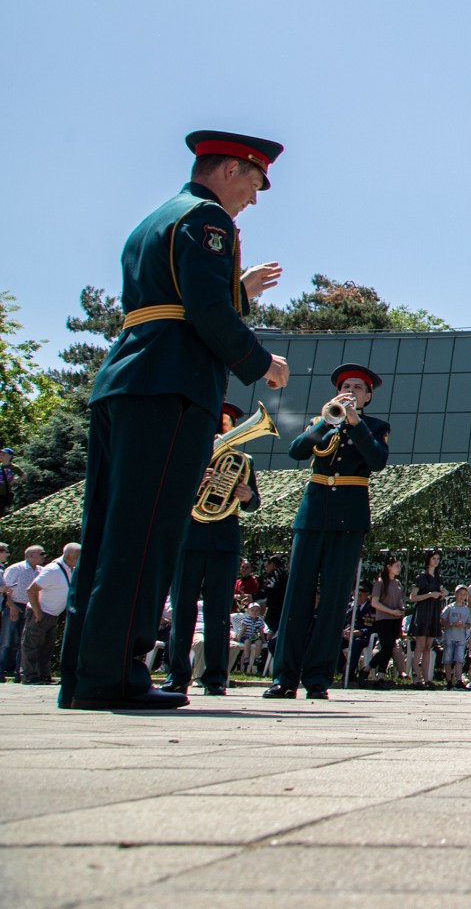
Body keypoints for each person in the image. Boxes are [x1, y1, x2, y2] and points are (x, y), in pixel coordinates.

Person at [59, 131, 290, 712]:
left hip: (130, 376)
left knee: (110, 530)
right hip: (171, 383)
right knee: (148, 534)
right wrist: (260, 363)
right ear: (234, 170)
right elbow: (204, 310)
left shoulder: (158, 218)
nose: (256, 199)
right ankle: (118, 674)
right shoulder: (208, 220)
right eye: (256, 184)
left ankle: (84, 671)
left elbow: (174, 296)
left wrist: (236, 289)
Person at [268, 363, 387, 700]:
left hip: (348, 520)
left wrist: (355, 424)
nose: (351, 392)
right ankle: (284, 677)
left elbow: (377, 461)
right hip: (313, 515)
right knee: (297, 597)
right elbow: (297, 451)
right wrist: (325, 421)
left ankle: (318, 677)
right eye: (345, 386)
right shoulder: (321, 422)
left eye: (358, 388)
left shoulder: (376, 427)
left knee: (334, 600)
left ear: (367, 398)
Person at [167, 401, 262, 696]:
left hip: (223, 541)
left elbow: (253, 504)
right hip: (189, 540)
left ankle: (216, 676)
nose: (222, 435)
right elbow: (169, 497)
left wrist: (247, 496)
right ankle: (177, 675)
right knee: (182, 609)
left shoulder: (243, 461)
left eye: (226, 428)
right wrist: (194, 483)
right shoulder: (185, 458)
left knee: (220, 612)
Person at [21, 544, 80, 684]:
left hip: (53, 614)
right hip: (41, 613)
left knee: (47, 646)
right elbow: (31, 590)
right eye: (78, 557)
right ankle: (30, 676)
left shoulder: (70, 569)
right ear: (68, 556)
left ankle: (43, 675)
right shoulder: (53, 570)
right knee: (32, 645)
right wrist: (37, 612)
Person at [2, 545, 44, 682]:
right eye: (41, 553)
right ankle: (1, 671)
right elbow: (6, 590)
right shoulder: (15, 569)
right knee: (7, 641)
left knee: (23, 641)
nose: (45, 556)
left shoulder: (41, 571)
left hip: (29, 607)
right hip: (14, 606)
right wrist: (11, 607)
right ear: (30, 555)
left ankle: (19, 673)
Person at [406, 550, 446, 688]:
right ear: (428, 559)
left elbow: (440, 593)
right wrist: (429, 595)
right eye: (433, 558)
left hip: (433, 612)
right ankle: (415, 678)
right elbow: (412, 598)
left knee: (429, 646)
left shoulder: (438, 578)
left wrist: (442, 594)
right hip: (422, 612)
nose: (436, 561)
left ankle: (426, 679)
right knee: (420, 645)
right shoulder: (421, 577)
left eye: (438, 558)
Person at [365, 556, 407, 683]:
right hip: (384, 618)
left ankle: (381, 676)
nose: (399, 568)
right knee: (387, 647)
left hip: (396, 619)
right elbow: (375, 603)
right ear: (389, 566)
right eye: (396, 566)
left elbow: (399, 600)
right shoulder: (380, 582)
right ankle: (367, 669)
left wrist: (401, 609)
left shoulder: (397, 583)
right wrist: (391, 611)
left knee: (390, 648)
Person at [438, 586, 471, 689]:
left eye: (464, 595)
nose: (462, 597)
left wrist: (464, 625)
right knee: (448, 660)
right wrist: (452, 624)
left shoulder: (466, 610)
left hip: (460, 638)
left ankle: (458, 680)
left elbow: (469, 624)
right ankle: (448, 680)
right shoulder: (449, 608)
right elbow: (441, 621)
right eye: (460, 594)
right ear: (456, 594)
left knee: (459, 660)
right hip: (449, 637)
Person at [258, 555, 288, 637]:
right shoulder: (286, 573)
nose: (266, 566)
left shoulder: (275, 574)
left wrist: (255, 597)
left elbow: (268, 590)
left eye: (268, 564)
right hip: (284, 605)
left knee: (268, 629)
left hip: (275, 607)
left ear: (273, 564)